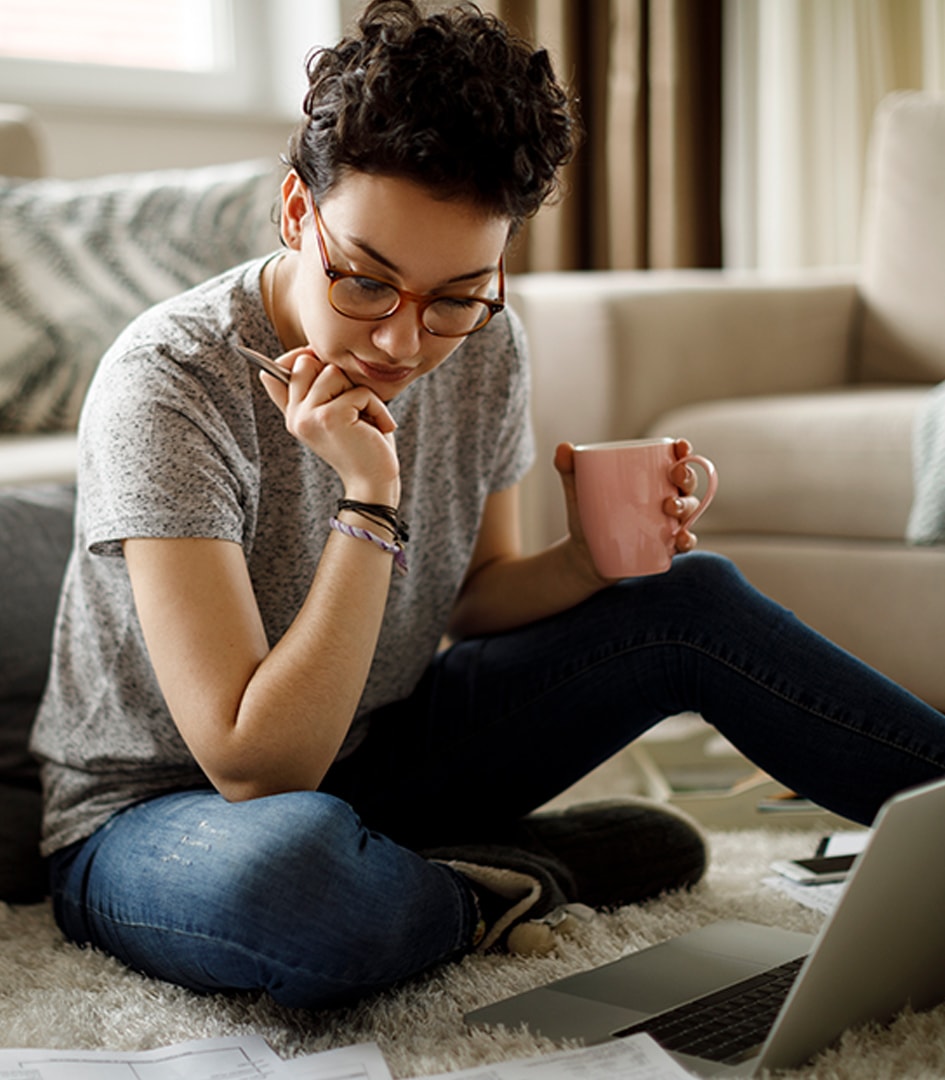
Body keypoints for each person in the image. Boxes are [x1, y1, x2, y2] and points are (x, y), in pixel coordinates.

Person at [31, 0, 945, 1009]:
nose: (402, 343)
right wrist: (369, 501)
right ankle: (507, 878)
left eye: (458, 295)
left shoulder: (489, 345)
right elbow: (255, 764)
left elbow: (472, 598)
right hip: (164, 814)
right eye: (366, 284)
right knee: (293, 886)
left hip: (381, 754)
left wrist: (590, 566)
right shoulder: (171, 380)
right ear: (298, 212)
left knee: (689, 596)